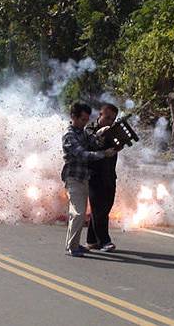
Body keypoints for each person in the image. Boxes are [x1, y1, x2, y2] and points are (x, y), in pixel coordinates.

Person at [61, 102, 117, 257]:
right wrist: (103, 154)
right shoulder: (69, 136)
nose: (84, 123)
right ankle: (72, 247)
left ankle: (74, 243)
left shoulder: (82, 132)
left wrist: (103, 133)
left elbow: (93, 142)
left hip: (83, 178)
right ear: (73, 117)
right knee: (78, 214)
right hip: (74, 178)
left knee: (80, 213)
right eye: (82, 119)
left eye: (86, 119)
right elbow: (83, 154)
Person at [85, 103, 120, 252]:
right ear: (100, 114)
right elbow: (89, 144)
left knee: (105, 208)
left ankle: (92, 240)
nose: (109, 121)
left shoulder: (113, 130)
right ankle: (105, 241)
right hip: (94, 175)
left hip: (109, 174)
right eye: (107, 117)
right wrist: (101, 133)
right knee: (99, 209)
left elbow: (118, 145)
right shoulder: (89, 129)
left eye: (112, 119)